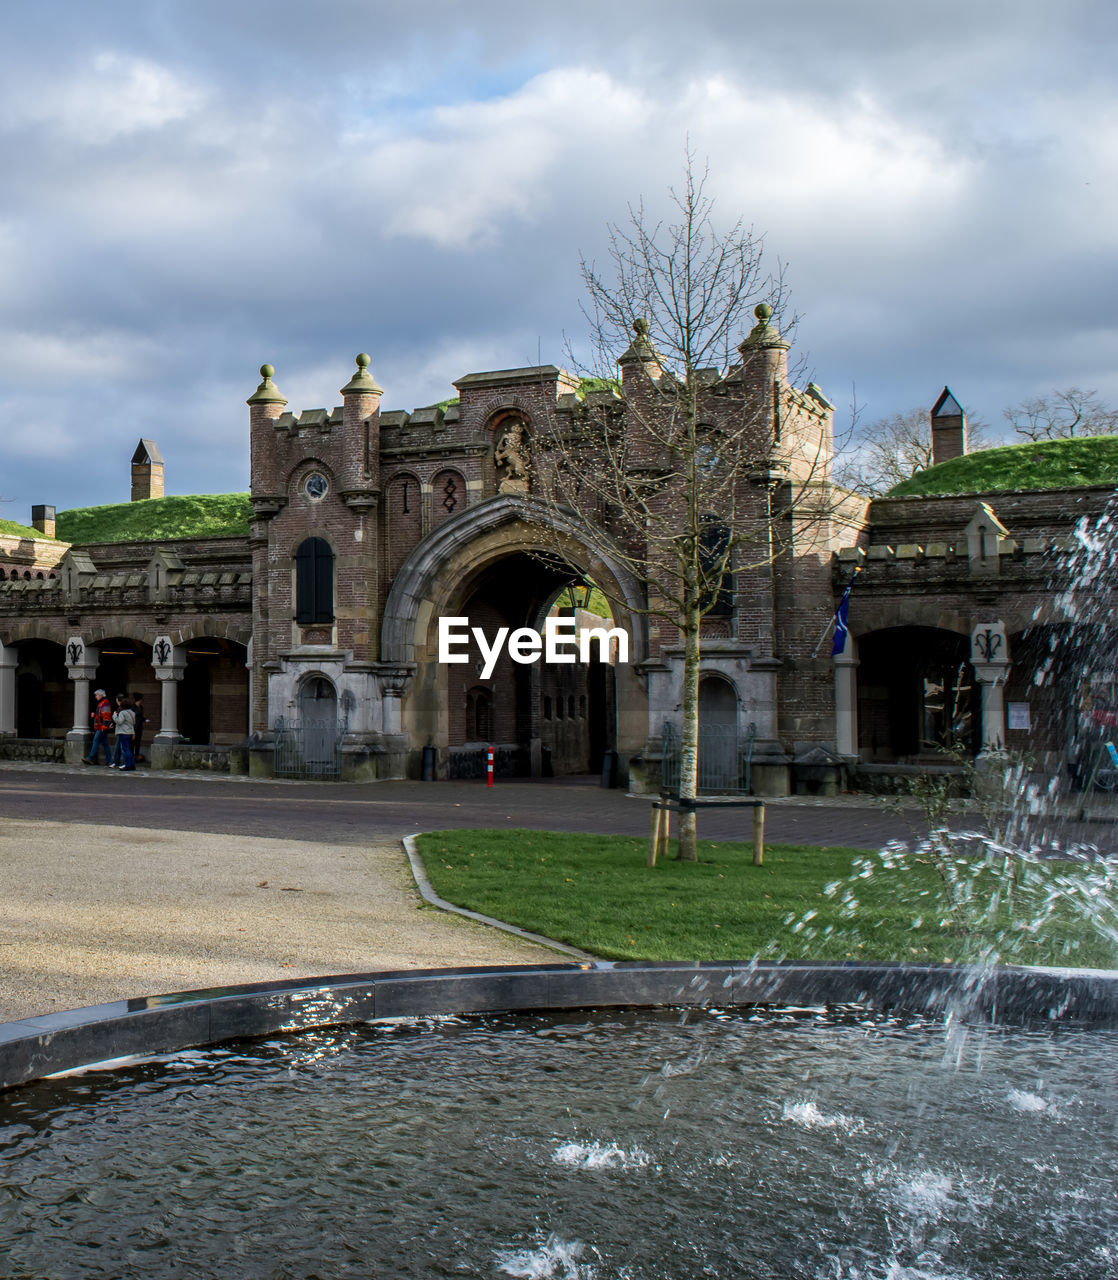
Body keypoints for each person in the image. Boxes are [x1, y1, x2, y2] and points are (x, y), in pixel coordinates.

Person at [83, 689, 113, 765]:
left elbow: (106, 716)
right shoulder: (102, 703)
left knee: (96, 741)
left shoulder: (104, 704)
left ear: (100, 695)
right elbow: (103, 716)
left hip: (102, 727)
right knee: (105, 744)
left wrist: (104, 727)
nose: (96, 697)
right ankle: (109, 761)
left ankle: (90, 758)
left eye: (96, 695)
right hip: (101, 727)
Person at [111, 695, 137, 772]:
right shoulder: (132, 712)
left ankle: (127, 765)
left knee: (125, 750)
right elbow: (134, 722)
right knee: (129, 749)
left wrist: (114, 716)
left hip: (123, 733)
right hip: (130, 732)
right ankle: (132, 765)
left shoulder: (123, 713)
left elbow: (119, 721)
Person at [132, 692, 148, 763]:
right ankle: (132, 757)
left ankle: (137, 756)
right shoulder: (133, 707)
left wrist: (145, 719)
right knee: (132, 743)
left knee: (138, 742)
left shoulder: (141, 707)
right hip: (134, 727)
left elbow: (141, 716)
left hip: (139, 727)